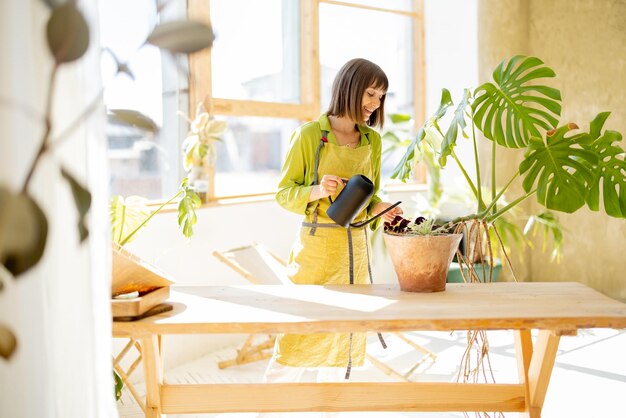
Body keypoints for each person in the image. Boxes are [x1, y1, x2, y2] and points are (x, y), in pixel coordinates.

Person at [261, 58, 403, 417]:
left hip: (354, 254)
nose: (375, 102)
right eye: (370, 93)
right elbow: (283, 194)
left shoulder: (372, 140)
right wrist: (316, 190)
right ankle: (265, 410)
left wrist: (382, 208)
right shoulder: (311, 135)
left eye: (381, 96)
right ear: (350, 87)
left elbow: (367, 200)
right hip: (315, 252)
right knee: (295, 339)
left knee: (342, 346)